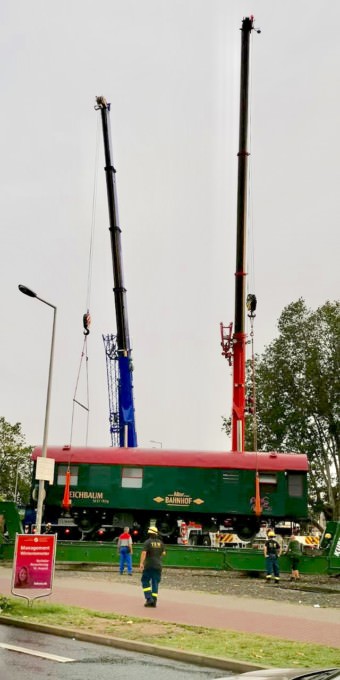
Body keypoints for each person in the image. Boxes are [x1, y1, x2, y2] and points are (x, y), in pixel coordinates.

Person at [139, 526, 166, 607]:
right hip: (158, 566)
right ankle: (154, 601)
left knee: (145, 581)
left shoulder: (147, 542)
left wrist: (141, 563)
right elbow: (164, 553)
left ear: (149, 533)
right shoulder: (161, 543)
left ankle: (148, 598)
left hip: (149, 565)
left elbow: (144, 553)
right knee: (155, 583)